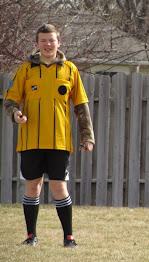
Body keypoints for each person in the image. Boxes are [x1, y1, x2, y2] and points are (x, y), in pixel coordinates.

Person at [3, 24, 95, 248]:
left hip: (59, 141)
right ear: (36, 44)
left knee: (58, 188)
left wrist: (88, 136)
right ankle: (31, 236)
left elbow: (81, 105)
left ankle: (69, 237)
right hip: (30, 140)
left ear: (59, 43)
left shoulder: (70, 69)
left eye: (51, 40)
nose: (47, 44)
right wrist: (15, 114)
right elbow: (10, 100)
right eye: (43, 41)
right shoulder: (25, 69)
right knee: (32, 186)